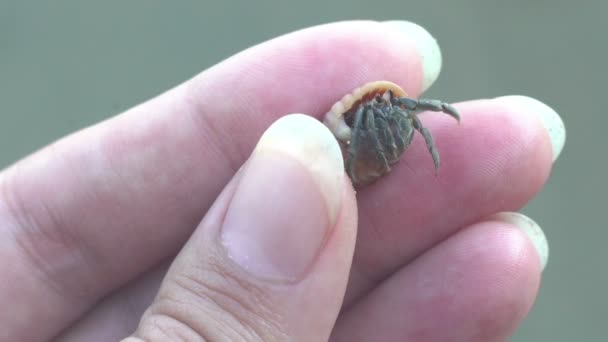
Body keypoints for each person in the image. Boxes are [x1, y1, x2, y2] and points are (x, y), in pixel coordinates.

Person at [0, 20, 565, 341]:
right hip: (349, 148)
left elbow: (400, 111)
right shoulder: (361, 121)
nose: (401, 112)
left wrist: (420, 127)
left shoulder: (394, 112)